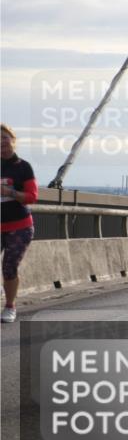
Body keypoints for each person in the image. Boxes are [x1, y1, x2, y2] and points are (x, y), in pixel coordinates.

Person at [1, 124, 37, 323]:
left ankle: (9, 306)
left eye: (4, 138)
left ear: (12, 140)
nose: (1, 142)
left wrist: (11, 193)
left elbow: (32, 196)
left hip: (19, 226)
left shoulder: (23, 167)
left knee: (9, 267)